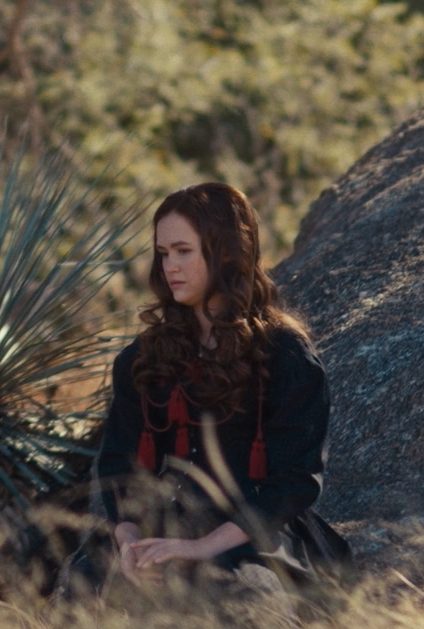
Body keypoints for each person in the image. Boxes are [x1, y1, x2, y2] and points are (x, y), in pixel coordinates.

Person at [92, 183, 349, 595]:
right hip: (165, 527)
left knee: (239, 594)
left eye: (183, 251)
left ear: (227, 252)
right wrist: (130, 545)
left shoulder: (285, 356)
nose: (170, 267)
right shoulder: (142, 359)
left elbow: (295, 481)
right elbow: (120, 467)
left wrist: (200, 548)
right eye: (163, 253)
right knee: (91, 587)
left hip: (255, 535)